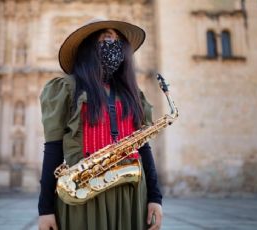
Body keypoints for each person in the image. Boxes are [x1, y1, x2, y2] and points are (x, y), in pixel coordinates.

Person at [38, 19, 163, 230]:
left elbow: (144, 148)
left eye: (116, 40)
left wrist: (155, 198)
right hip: (84, 195)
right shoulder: (67, 88)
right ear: (88, 47)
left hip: (131, 196)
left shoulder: (132, 94)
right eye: (105, 37)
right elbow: (53, 149)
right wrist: (45, 209)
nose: (112, 44)